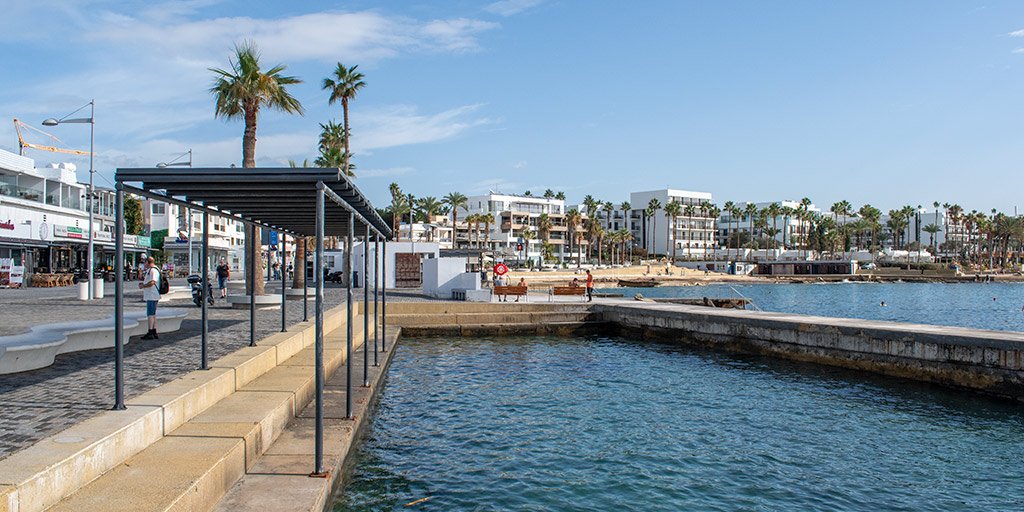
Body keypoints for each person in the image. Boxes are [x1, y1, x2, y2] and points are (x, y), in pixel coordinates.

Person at [138, 257, 161, 339]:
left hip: (152, 295)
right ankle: (154, 331)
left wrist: (143, 286)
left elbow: (152, 282)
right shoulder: (152, 270)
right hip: (152, 294)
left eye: (145, 262)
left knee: (150, 314)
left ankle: (150, 331)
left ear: (148, 262)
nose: (144, 264)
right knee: (153, 313)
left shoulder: (153, 270)